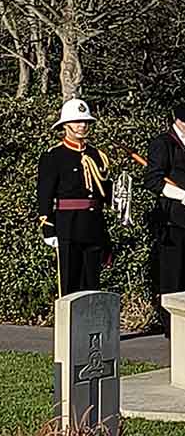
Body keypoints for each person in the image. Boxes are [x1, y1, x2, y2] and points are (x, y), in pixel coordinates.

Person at [144, 102, 185, 338]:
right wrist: (182, 195)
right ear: (181, 123)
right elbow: (153, 181)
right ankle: (172, 327)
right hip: (173, 222)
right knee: (173, 279)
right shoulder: (163, 144)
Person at [37, 98, 113, 296]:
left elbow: (105, 192)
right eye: (77, 121)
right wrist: (48, 227)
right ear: (65, 125)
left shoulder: (97, 155)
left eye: (85, 121)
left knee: (92, 285)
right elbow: (45, 193)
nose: (82, 125)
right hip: (68, 226)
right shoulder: (54, 156)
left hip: (94, 225)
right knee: (69, 284)